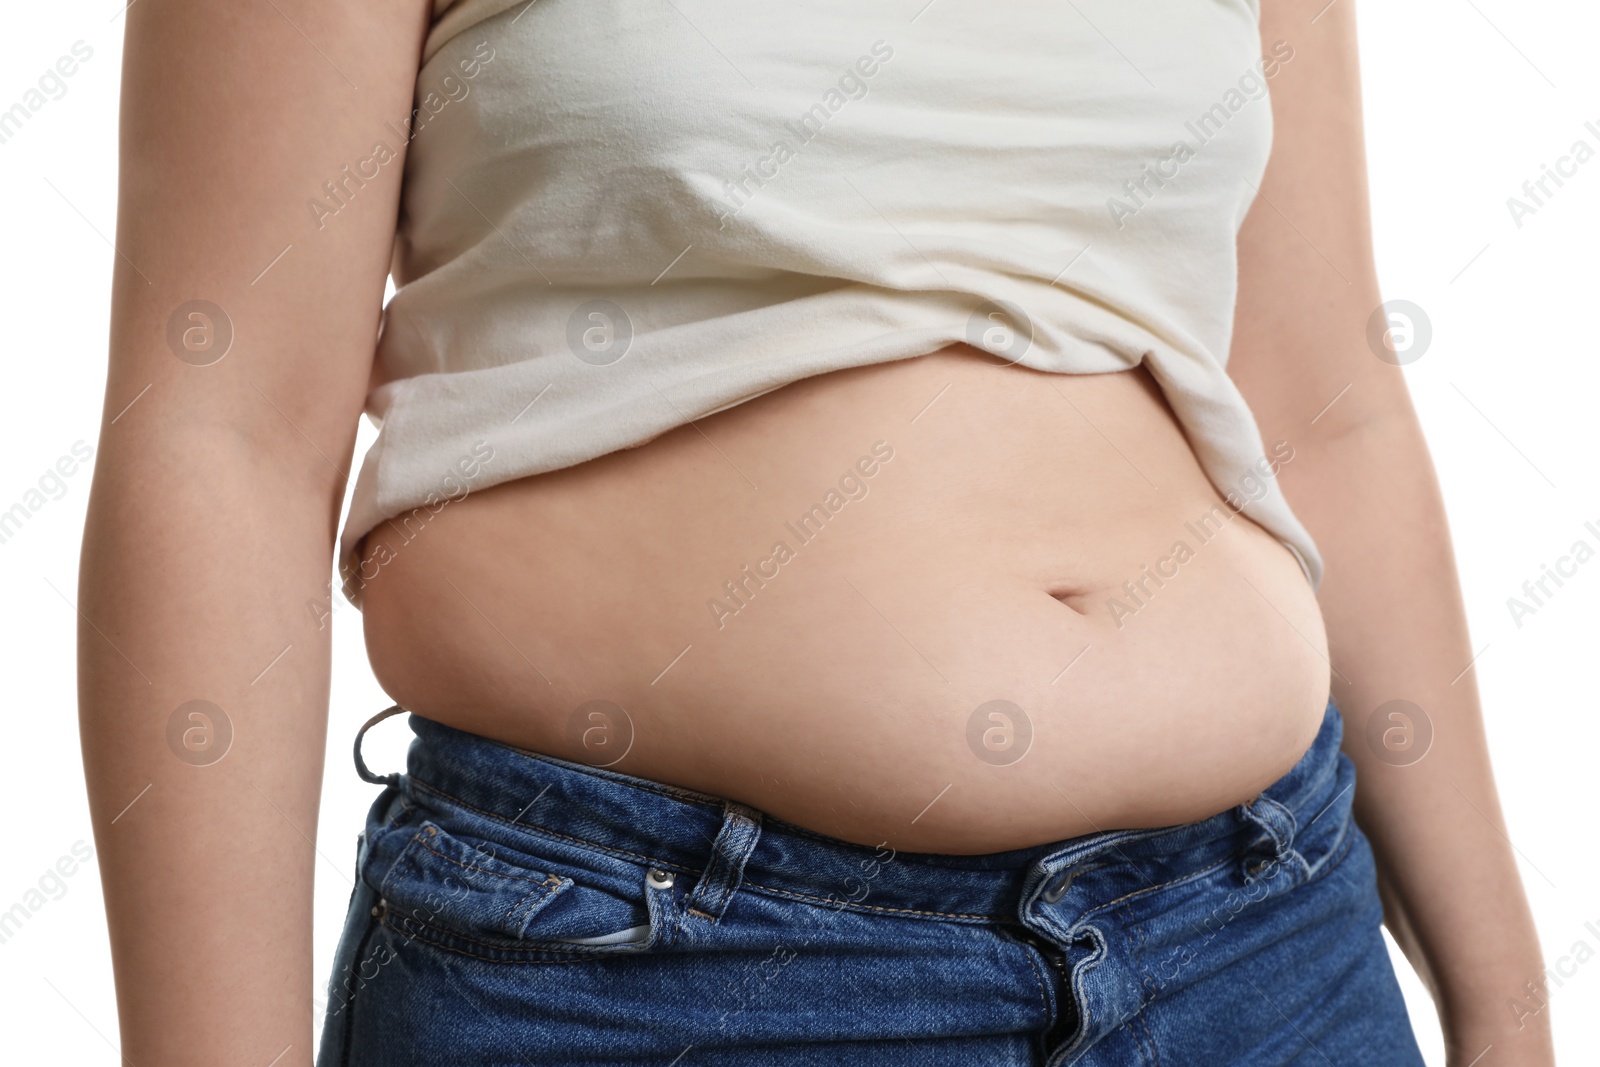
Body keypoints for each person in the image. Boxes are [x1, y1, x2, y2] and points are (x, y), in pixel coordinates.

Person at [79, 1, 1552, 1064]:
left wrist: (1506, 1008)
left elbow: (1325, 407)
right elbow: (225, 442)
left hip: (1262, 951)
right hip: (658, 975)